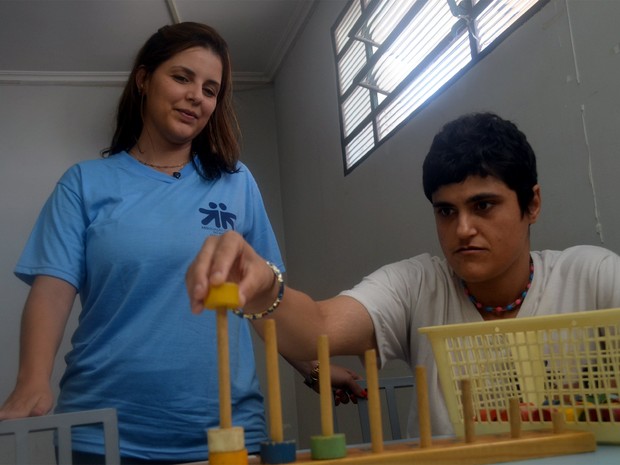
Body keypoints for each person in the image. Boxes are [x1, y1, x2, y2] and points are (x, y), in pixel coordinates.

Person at [0, 22, 361, 464]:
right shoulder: (84, 184)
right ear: (143, 79)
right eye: (182, 77)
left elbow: (264, 299)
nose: (197, 96)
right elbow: (52, 293)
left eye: (211, 89)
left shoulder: (237, 183)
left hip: (227, 431)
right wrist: (31, 382)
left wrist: (313, 367)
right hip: (103, 431)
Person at [186, 112, 620, 439]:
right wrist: (264, 288)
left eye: (483, 205)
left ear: (532, 205)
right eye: (446, 211)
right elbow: (313, 329)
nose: (462, 229)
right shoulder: (417, 285)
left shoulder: (593, 278)